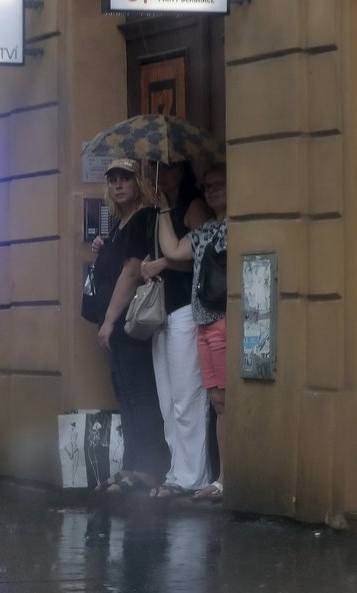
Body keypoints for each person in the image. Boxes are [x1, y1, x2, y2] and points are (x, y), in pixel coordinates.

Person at [91, 158, 169, 493]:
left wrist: (109, 321)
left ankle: (150, 467)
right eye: (113, 180)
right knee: (125, 392)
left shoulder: (143, 218)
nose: (118, 185)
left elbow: (132, 272)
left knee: (140, 393)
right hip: (119, 322)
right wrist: (102, 246)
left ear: (138, 182)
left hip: (132, 322)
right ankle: (133, 464)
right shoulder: (121, 224)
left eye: (125, 179)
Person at [140, 161, 214, 499]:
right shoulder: (158, 208)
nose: (162, 173)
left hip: (186, 307)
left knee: (188, 395)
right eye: (156, 167)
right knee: (168, 398)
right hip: (163, 309)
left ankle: (193, 474)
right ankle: (176, 470)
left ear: (184, 170)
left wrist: (165, 263)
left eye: (169, 167)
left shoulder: (193, 205)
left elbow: (202, 254)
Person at [156, 164, 228, 500]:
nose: (212, 191)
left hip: (221, 317)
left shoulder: (232, 226)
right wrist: (162, 208)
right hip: (204, 319)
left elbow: (172, 259)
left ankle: (215, 476)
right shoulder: (209, 229)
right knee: (214, 398)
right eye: (209, 185)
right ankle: (213, 477)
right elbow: (172, 249)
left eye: (219, 185)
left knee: (213, 399)